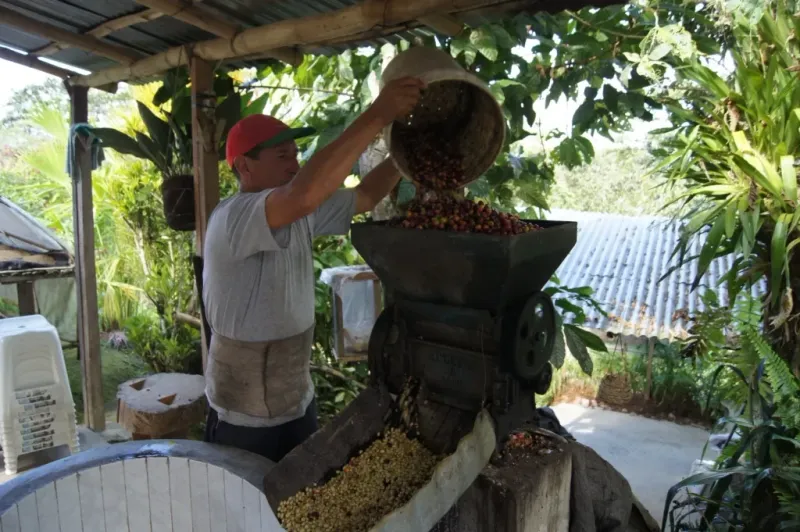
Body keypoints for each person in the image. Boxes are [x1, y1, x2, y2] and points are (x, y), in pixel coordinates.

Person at [201, 76, 425, 462]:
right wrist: (378, 114)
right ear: (244, 167)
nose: (296, 164)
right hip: (242, 419)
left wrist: (407, 152)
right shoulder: (232, 217)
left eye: (296, 154)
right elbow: (303, 194)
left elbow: (368, 196)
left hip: (297, 405)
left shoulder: (299, 212)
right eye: (282, 157)